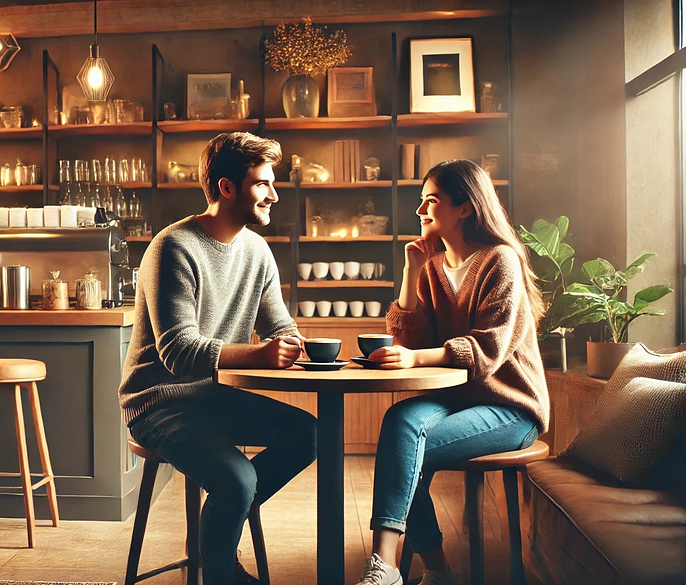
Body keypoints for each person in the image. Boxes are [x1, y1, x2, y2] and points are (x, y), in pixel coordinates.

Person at [119, 132, 317, 584]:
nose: (274, 193)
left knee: (310, 436)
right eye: (263, 184)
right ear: (227, 188)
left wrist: (293, 345)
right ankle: (221, 563)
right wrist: (260, 354)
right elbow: (178, 351)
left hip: (215, 397)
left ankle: (218, 533)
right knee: (238, 479)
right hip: (158, 401)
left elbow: (278, 326)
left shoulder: (257, 251)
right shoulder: (174, 248)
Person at [355, 159, 549, 585]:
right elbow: (409, 339)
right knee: (400, 422)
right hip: (457, 401)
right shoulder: (433, 268)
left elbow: (488, 349)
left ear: (465, 207)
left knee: (409, 449)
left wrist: (415, 359)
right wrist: (411, 269)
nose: (421, 211)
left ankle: (400, 569)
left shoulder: (501, 261)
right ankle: (410, 568)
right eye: (421, 202)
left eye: (431, 201)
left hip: (510, 407)